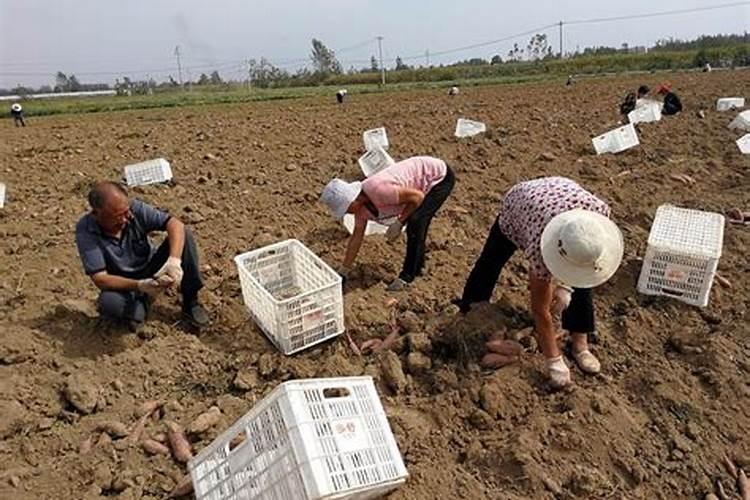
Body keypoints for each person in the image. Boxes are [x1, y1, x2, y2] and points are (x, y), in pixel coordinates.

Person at [455, 177, 624, 388]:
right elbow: (540, 310)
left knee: (583, 277)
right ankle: (469, 309)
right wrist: (554, 361)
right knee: (491, 260)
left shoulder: (598, 219)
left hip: (561, 193)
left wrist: (566, 286)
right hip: (521, 204)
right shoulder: (540, 246)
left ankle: (580, 343)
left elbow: (581, 261)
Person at [75, 181, 210, 331]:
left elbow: (175, 224)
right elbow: (101, 279)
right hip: (125, 284)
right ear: (96, 214)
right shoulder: (86, 230)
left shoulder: (134, 209)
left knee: (185, 235)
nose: (125, 219)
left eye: (126, 212)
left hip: (152, 269)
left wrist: (174, 260)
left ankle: (191, 302)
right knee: (109, 302)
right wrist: (139, 285)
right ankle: (140, 304)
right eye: (117, 217)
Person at [321, 156, 455, 291]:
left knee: (416, 222)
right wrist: (345, 269)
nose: (347, 213)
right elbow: (357, 236)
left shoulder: (379, 190)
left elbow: (417, 197)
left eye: (346, 208)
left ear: (354, 200)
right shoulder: (360, 209)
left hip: (438, 177)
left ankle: (407, 277)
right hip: (418, 189)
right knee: (416, 223)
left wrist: (400, 222)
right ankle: (418, 266)